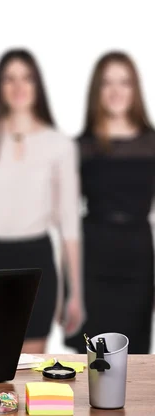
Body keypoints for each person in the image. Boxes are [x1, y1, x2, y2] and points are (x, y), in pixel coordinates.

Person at [0, 49, 84, 354]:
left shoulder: (59, 144)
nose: (18, 86)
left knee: (29, 366)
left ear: (37, 85)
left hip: (35, 260)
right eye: (9, 78)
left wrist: (74, 292)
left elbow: (69, 223)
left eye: (26, 77)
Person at [65, 52, 155, 354]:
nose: (116, 91)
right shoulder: (81, 146)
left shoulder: (152, 143)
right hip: (94, 257)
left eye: (124, 82)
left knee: (136, 356)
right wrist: (71, 289)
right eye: (108, 83)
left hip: (138, 256)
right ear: (97, 91)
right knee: (94, 358)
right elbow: (66, 218)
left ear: (135, 89)